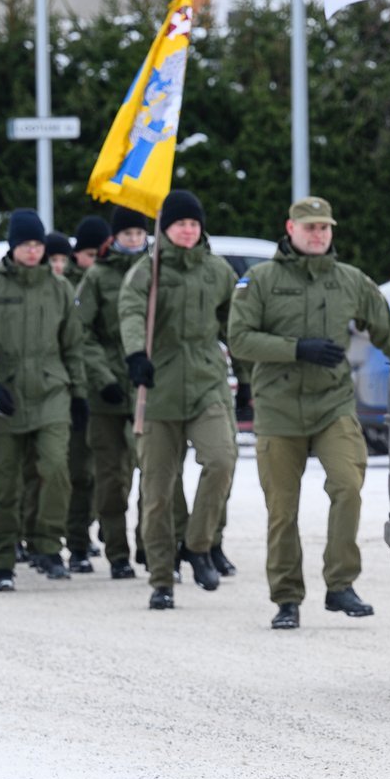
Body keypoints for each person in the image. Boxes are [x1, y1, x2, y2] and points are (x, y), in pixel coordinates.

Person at [229, 195, 390, 630]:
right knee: (282, 509)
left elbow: (387, 331)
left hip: (332, 405)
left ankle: (341, 584)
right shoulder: (259, 280)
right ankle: (286, 598)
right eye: (311, 228)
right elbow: (240, 339)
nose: (319, 234)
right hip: (278, 409)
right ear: (291, 229)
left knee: (348, 485)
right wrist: (295, 350)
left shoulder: (349, 280)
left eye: (325, 228)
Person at [120, 189, 237, 612]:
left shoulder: (218, 271)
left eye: (193, 223)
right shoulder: (146, 272)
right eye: (179, 223)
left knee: (222, 460)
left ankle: (199, 545)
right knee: (157, 492)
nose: (187, 230)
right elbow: (131, 313)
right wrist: (137, 354)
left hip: (206, 384)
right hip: (158, 389)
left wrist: (254, 365)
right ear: (166, 228)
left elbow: (234, 323)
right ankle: (161, 577)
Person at [0, 209, 92, 591]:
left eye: (38, 245)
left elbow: (73, 346)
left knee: (55, 469)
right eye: (26, 245)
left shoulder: (60, 289)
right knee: (5, 484)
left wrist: (79, 394)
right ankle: (2, 560)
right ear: (14, 248)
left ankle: (49, 547)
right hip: (6, 397)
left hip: (51, 392)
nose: (33, 252)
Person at [76, 207, 144, 580]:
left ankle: (151, 545)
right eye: (127, 234)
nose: (133, 240)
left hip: (146, 390)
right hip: (107, 393)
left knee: (151, 471)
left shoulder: (155, 273)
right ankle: (117, 551)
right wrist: (103, 378)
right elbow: (81, 333)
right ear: (114, 237)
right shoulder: (97, 277)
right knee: (110, 476)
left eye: (138, 233)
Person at [58, 214, 111, 571]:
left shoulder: (109, 282)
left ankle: (105, 531)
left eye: (98, 252)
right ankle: (76, 541)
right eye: (87, 253)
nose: (92, 260)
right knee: (79, 471)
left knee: (108, 471)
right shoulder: (67, 287)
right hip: (76, 389)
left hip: (109, 390)